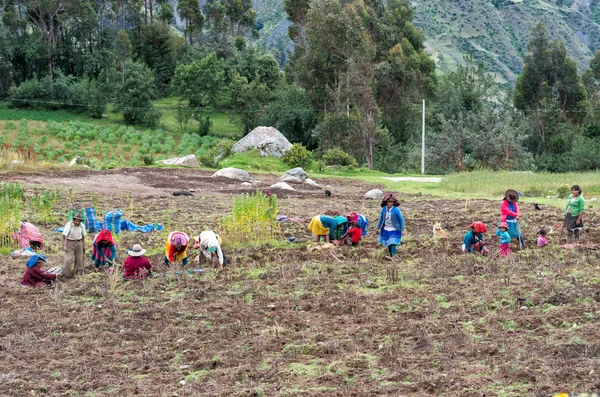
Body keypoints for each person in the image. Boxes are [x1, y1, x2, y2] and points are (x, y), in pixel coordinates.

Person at [375, 193, 405, 259]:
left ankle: (393, 256)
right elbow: (381, 219)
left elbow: (401, 219)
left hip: (395, 229)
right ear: (386, 202)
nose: (390, 203)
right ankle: (390, 255)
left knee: (393, 242)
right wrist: (377, 227)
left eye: (391, 202)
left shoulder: (396, 210)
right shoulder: (383, 209)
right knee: (388, 242)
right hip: (386, 228)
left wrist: (402, 229)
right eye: (388, 202)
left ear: (393, 202)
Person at [62, 210, 86, 278]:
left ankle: (77, 273)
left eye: (78, 221)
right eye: (76, 221)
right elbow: (64, 236)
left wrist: (83, 245)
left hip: (79, 242)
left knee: (79, 259)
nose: (77, 222)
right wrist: (64, 245)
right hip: (70, 242)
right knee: (68, 259)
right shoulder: (69, 225)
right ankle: (66, 275)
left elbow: (83, 236)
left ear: (80, 221)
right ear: (74, 220)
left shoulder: (82, 226)